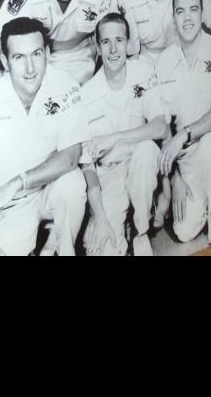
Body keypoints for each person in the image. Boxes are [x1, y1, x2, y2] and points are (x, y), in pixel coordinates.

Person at [0, 17, 87, 256]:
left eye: (36, 54)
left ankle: (57, 248)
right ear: (5, 61)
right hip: (9, 205)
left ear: (47, 53)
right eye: (19, 57)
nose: (30, 68)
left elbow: (70, 157)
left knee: (73, 182)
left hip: (50, 189)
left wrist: (19, 182)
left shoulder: (66, 86)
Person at [154, 0, 211, 243]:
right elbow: (163, 125)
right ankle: (206, 197)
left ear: (203, 15)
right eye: (180, 11)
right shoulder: (164, 62)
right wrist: (176, 177)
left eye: (193, 9)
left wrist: (183, 135)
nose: (188, 18)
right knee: (183, 232)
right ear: (173, 18)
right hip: (187, 152)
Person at [77, 13, 166, 256]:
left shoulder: (143, 72)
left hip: (140, 167)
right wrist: (100, 216)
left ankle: (141, 231)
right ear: (97, 46)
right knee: (101, 250)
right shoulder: (87, 95)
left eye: (119, 40)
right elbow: (87, 167)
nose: (113, 49)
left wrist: (114, 137)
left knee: (147, 150)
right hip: (110, 176)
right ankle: (118, 228)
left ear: (128, 43)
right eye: (106, 42)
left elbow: (161, 127)